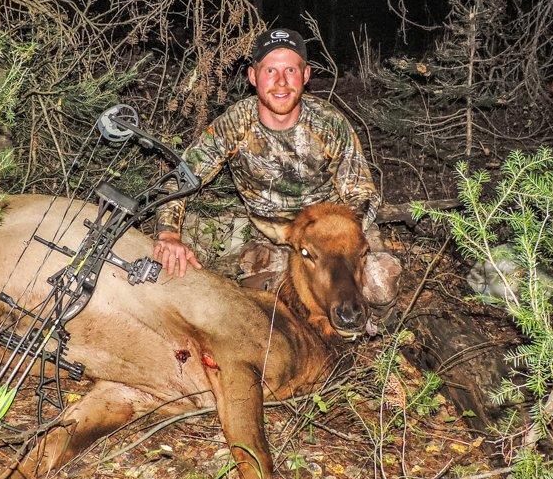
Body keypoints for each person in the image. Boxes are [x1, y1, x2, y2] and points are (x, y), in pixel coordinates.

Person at [151, 27, 399, 311]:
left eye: (291, 70)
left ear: (305, 76)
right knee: (267, 308)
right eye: (270, 71)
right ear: (253, 77)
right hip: (275, 237)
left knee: (380, 286)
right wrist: (168, 234)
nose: (281, 82)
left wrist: (337, 241)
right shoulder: (235, 124)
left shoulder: (329, 123)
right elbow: (182, 177)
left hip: (335, 239)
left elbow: (362, 193)